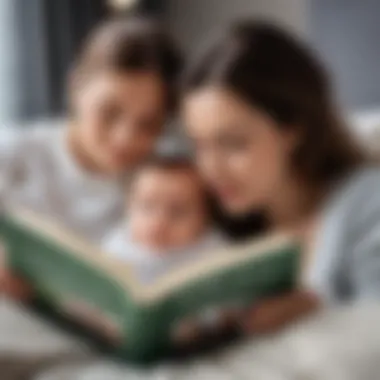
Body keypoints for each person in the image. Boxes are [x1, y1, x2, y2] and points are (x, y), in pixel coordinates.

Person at [182, 20, 379, 334]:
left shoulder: (367, 203)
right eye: (199, 145)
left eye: (233, 144)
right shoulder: (212, 222)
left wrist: (317, 309)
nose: (211, 169)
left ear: (292, 130)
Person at [0, 16, 182, 298]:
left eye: (149, 124)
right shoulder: (13, 154)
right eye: (109, 113)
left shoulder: (170, 178)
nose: (125, 138)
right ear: (76, 88)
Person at [103, 156, 223, 283]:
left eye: (177, 212)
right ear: (129, 206)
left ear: (205, 218)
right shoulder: (117, 245)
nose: (158, 223)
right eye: (147, 207)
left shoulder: (214, 252)